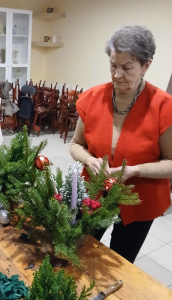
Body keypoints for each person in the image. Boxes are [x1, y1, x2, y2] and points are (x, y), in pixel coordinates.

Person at [70, 25, 172, 263]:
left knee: (119, 261)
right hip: (93, 193)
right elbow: (75, 144)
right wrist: (88, 159)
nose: (117, 74)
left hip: (138, 200)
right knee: (78, 250)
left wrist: (136, 170)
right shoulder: (93, 98)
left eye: (127, 68)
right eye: (113, 65)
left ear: (146, 66)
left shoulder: (164, 107)